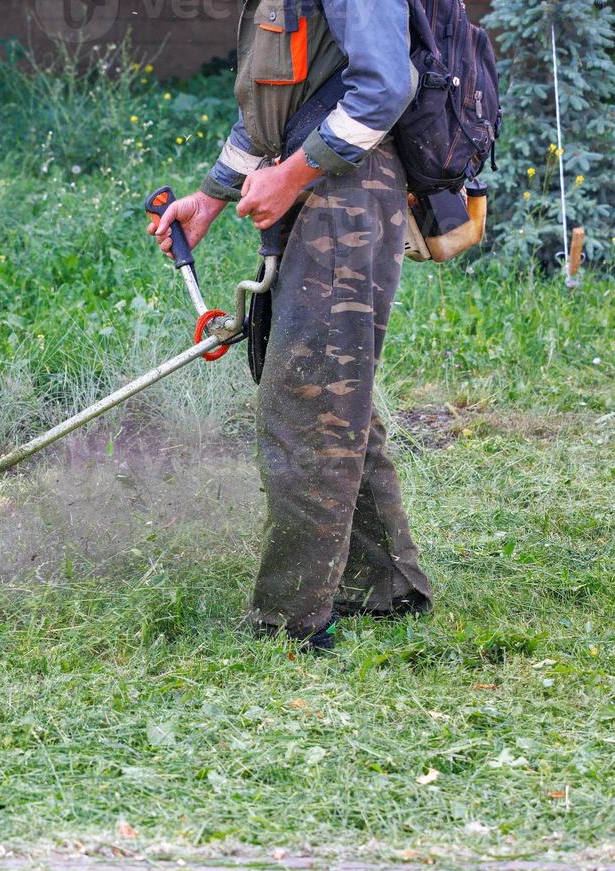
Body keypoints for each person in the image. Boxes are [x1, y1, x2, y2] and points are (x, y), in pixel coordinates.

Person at [150, 0, 433, 651]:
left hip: (350, 191)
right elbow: (275, 109)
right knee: (329, 392)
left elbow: (385, 89)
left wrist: (292, 176)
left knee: (308, 398)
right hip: (314, 184)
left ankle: (292, 618)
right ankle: (383, 584)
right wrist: (212, 198)